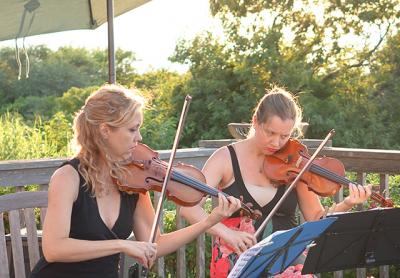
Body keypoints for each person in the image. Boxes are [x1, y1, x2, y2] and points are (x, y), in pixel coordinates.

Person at [30, 84, 242, 278]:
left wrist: (208, 222)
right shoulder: (68, 177)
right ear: (105, 131)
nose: (139, 137)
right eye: (132, 129)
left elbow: (155, 243)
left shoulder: (132, 181)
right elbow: (54, 249)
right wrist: (121, 245)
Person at [180, 86, 372, 277]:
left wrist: (347, 203)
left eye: (284, 136)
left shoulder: (296, 162)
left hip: (287, 262)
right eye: (270, 133)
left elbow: (315, 217)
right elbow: (189, 208)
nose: (276, 143)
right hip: (236, 258)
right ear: (255, 121)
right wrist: (227, 233)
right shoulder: (225, 158)